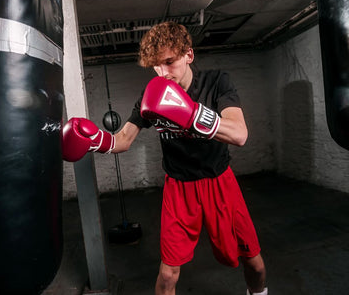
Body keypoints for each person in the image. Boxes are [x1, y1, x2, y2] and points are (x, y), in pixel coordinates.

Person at [62, 21, 267, 295]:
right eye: (156, 66)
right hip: (179, 189)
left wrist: (192, 114)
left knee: (254, 263)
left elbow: (240, 134)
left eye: (169, 62)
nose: (163, 72)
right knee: (168, 274)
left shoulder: (216, 82)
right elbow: (123, 140)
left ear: (189, 55)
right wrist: (97, 140)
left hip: (219, 183)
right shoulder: (151, 96)